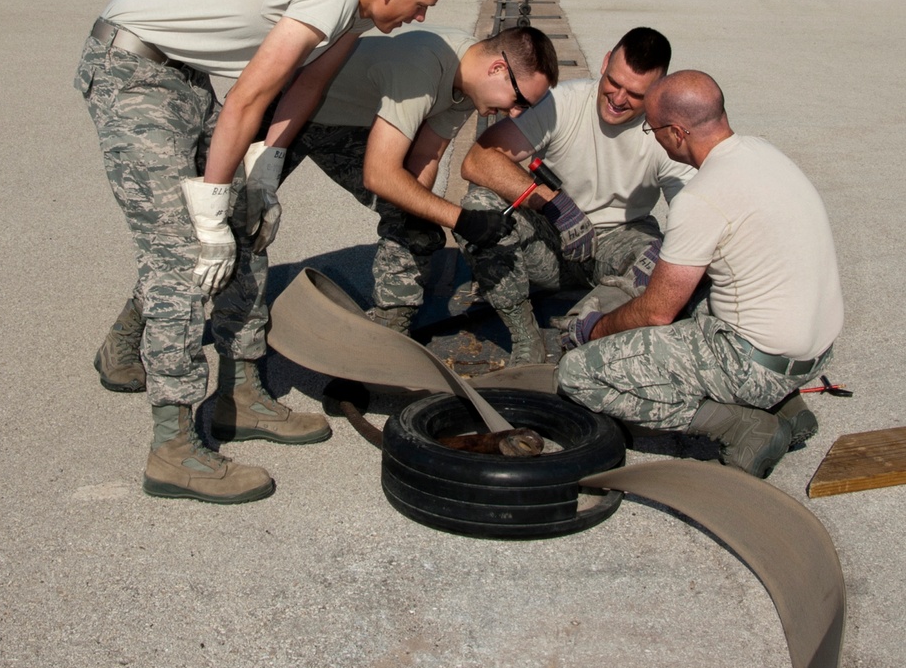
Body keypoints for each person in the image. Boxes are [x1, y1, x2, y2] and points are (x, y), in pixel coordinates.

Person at [80, 0, 453, 505]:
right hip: (132, 69)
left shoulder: (355, 2)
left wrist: (265, 171)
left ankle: (241, 394)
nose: (418, 18)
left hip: (184, 75)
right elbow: (250, 97)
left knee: (245, 228)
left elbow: (307, 87)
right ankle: (172, 448)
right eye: (419, 5)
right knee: (185, 250)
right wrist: (208, 215)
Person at [555, 70, 844, 478]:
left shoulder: (701, 196)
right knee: (701, 296)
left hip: (755, 367)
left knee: (578, 374)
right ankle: (788, 406)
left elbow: (657, 312)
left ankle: (743, 426)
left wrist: (593, 330)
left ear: (676, 132)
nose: (651, 136)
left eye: (651, 128)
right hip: (814, 353)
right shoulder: (763, 152)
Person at [243, 25, 557, 369]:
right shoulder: (423, 67)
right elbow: (379, 175)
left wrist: (418, 213)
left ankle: (390, 329)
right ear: (497, 69)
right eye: (519, 101)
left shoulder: (468, 87)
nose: (515, 113)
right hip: (281, 107)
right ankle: (236, 355)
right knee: (240, 223)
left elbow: (426, 156)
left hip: (343, 123)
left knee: (416, 220)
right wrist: (461, 219)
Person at [455, 28, 691, 365]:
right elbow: (478, 159)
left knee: (670, 269)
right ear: (605, 62)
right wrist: (552, 203)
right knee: (478, 209)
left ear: (658, 88)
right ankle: (526, 338)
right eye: (614, 82)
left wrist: (669, 257)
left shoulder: (666, 133)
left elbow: (698, 212)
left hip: (621, 238)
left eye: (636, 94)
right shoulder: (562, 103)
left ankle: (589, 332)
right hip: (555, 239)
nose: (619, 98)